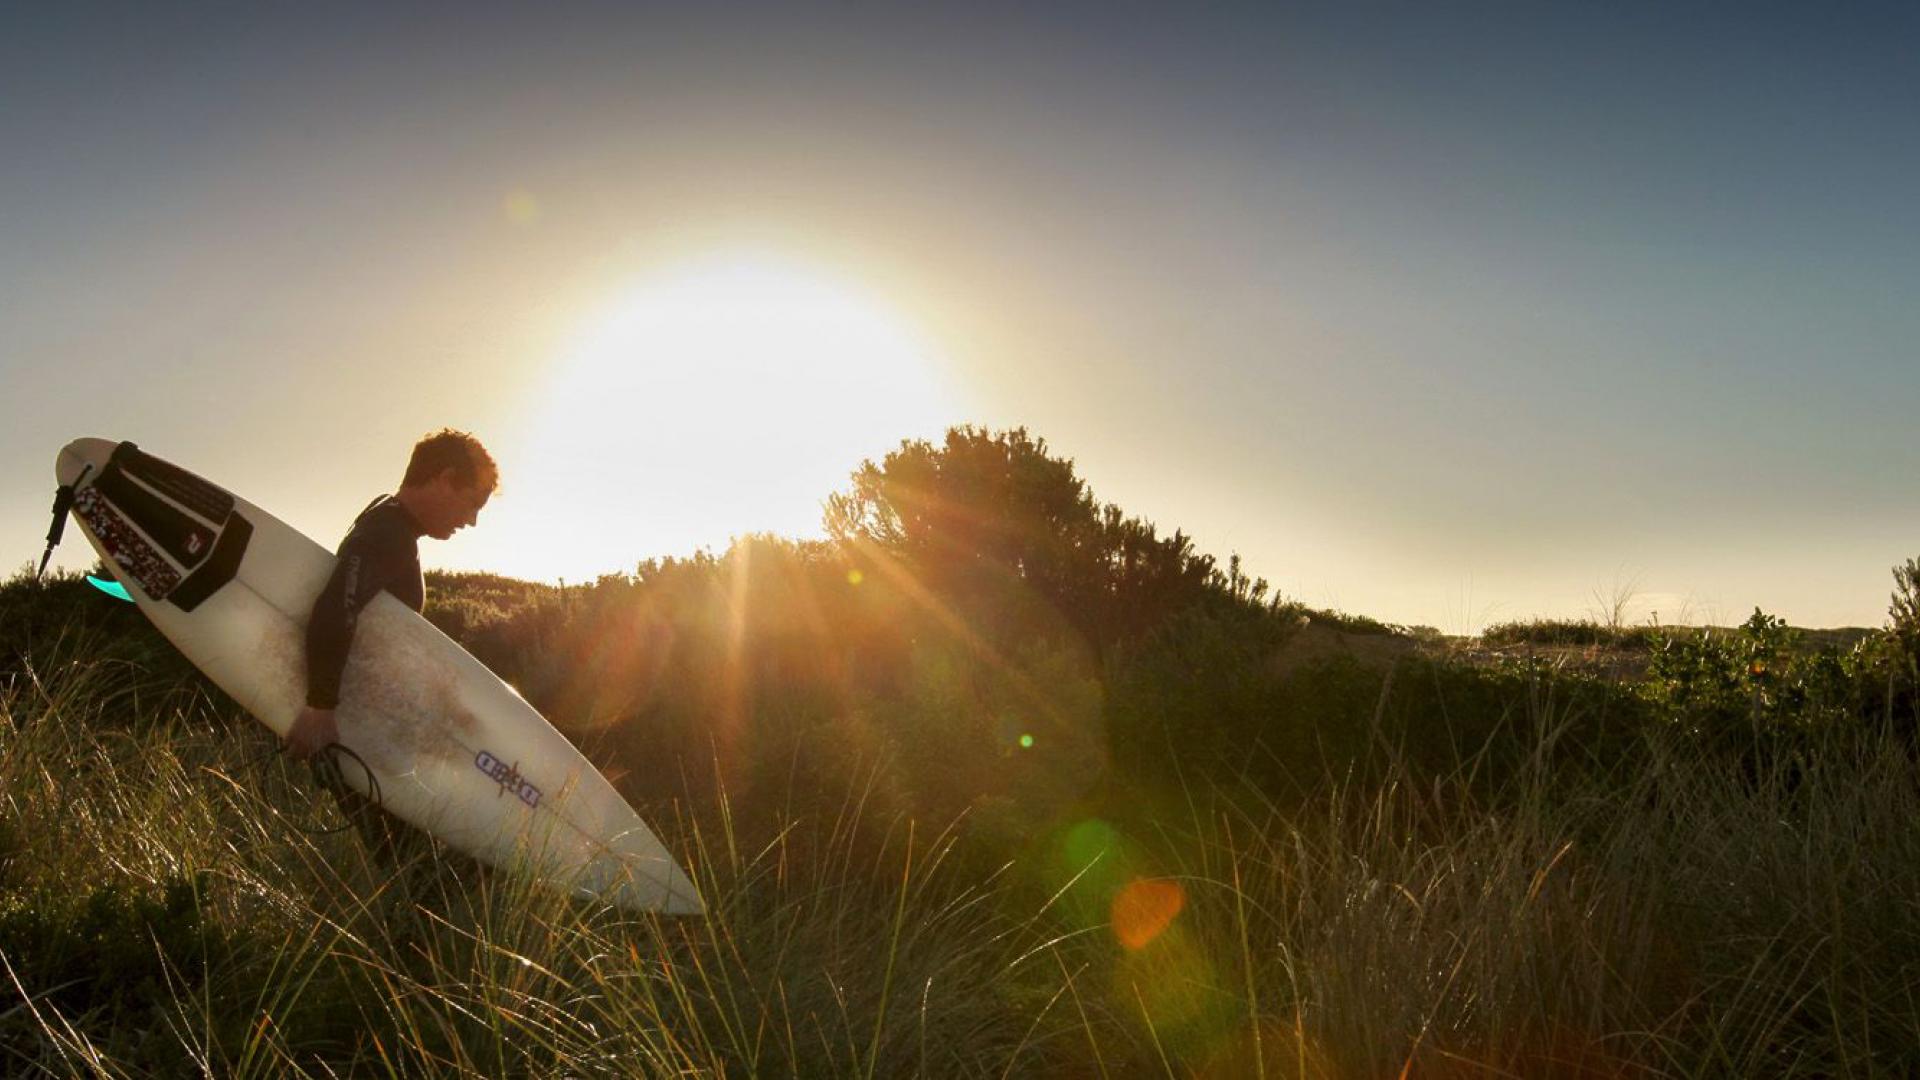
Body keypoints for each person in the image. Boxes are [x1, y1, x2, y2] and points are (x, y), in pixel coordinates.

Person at [284, 429, 497, 865]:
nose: (472, 521)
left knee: (403, 861)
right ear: (445, 478)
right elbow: (336, 604)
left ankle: (404, 929)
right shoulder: (389, 532)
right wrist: (320, 705)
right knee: (413, 865)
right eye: (473, 502)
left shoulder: (387, 520)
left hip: (362, 728)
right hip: (348, 728)